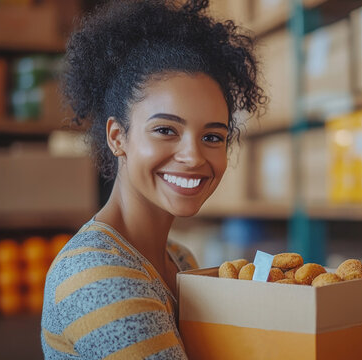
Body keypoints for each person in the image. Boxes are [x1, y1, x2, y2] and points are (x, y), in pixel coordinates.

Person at [40, 0, 265, 358]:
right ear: (118, 137)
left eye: (212, 137)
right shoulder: (99, 276)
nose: (193, 156)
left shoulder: (180, 258)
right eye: (165, 130)